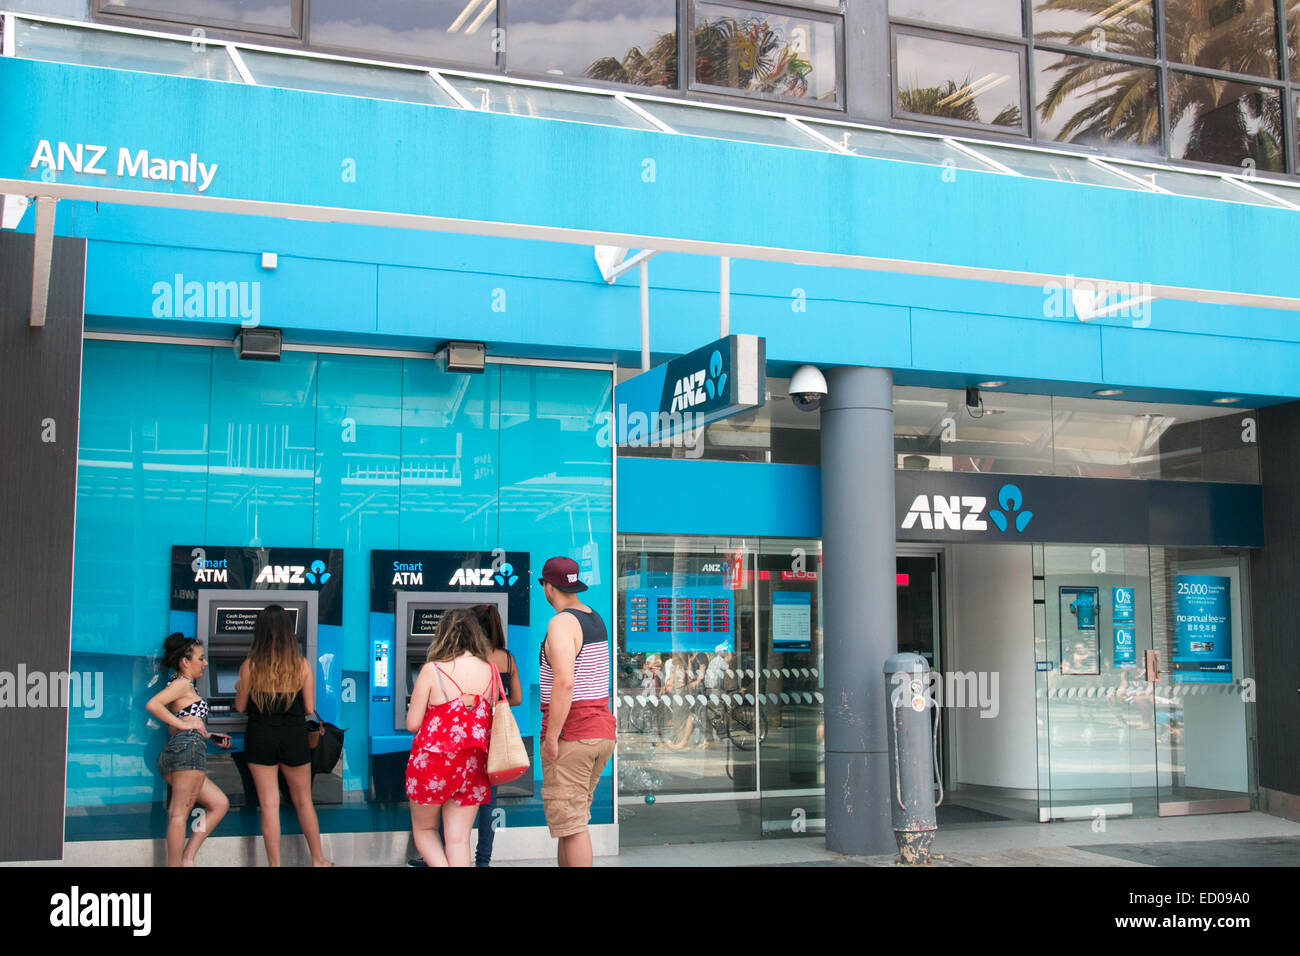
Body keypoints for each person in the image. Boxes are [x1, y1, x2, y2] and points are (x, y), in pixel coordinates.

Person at [234, 605, 331, 867]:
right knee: (303, 801)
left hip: (260, 735)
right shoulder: (301, 665)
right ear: (289, 632)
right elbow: (309, 708)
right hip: (293, 737)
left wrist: (239, 688)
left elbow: (240, 707)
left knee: (269, 804)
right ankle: (318, 860)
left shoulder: (250, 666)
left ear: (260, 633)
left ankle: (274, 865)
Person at [538, 556, 616, 867]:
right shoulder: (594, 618)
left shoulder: (561, 623)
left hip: (574, 734)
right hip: (599, 732)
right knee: (568, 824)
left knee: (572, 826)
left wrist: (553, 736)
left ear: (548, 587)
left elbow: (565, 683)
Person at [405, 607, 499, 867]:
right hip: (472, 763)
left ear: (443, 634)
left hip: (432, 764)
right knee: (458, 839)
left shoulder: (431, 670)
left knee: (425, 830)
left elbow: (413, 723)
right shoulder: (490, 670)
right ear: (475, 636)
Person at [145, 633, 232, 866]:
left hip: (184, 749)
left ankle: (187, 858)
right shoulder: (181, 684)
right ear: (185, 661)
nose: (205, 664)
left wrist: (209, 735)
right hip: (186, 751)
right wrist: (183, 724)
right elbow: (153, 705)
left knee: (219, 804)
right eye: (200, 658)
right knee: (178, 815)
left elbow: (186, 719)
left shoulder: (182, 684)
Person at [471, 602, 521, 867]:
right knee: (488, 801)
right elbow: (518, 698)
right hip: (496, 737)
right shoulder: (507, 658)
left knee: (457, 797)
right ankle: (483, 860)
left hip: (471, 735)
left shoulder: (469, 659)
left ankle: (445, 853)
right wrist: (497, 704)